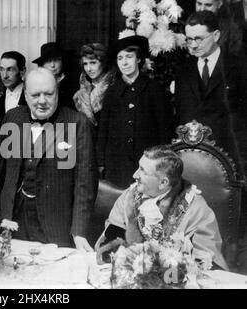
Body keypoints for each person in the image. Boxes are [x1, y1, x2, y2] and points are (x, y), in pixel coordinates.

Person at [0, 68, 98, 250]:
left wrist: (79, 232)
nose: (42, 101)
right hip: (13, 218)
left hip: (55, 224)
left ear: (57, 92)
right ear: (25, 95)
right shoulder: (12, 117)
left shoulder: (78, 123)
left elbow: (85, 183)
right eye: (35, 95)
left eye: (49, 94)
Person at [95, 145, 228, 270]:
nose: (135, 175)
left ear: (163, 182)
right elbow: (109, 242)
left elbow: (206, 261)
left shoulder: (196, 208)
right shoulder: (129, 197)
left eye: (143, 171)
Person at [176, 11, 247, 178]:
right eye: (189, 39)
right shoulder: (182, 70)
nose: (193, 45)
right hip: (191, 160)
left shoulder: (239, 67)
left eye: (199, 39)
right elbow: (180, 114)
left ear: (215, 35)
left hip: (231, 160)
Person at [97, 35, 173, 189]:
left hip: (149, 164)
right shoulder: (112, 92)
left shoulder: (154, 89)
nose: (124, 62)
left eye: (129, 57)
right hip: (117, 164)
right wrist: (101, 162)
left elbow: (165, 129)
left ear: (138, 59)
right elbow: (103, 129)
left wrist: (163, 161)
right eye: (120, 58)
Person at [73, 43, 115, 126]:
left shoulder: (113, 87)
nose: (88, 69)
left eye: (93, 63)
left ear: (103, 62)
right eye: (85, 64)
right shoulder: (81, 90)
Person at [32, 42, 76, 110]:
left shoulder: (73, 83)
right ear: (42, 64)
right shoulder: (34, 83)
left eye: (56, 60)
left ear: (62, 62)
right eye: (48, 61)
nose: (52, 65)